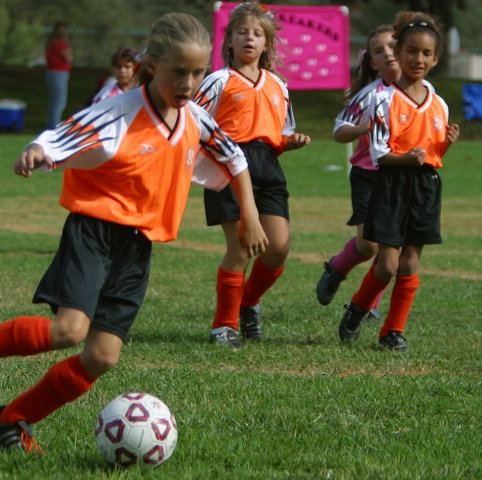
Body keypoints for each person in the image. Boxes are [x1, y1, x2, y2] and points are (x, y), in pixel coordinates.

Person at [0, 13, 267, 453]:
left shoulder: (195, 119)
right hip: (95, 231)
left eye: (197, 72)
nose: (189, 82)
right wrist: (38, 150)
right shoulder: (122, 111)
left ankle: (10, 421)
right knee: (68, 329)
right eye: (179, 71)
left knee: (101, 356)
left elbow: (234, 158)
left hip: (137, 245)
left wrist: (249, 213)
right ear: (152, 65)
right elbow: (67, 132)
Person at [338, 11, 460, 351]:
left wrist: (445, 143)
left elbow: (434, 157)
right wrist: (406, 158)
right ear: (399, 53)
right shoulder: (384, 99)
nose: (417, 59)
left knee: (410, 261)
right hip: (391, 183)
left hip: (425, 187)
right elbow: (379, 155)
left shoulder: (439, 104)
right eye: (410, 51)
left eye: (425, 53)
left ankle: (392, 332)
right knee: (388, 264)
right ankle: (358, 308)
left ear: (435, 59)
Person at [194, 2, 310, 349]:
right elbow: (193, 121)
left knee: (278, 248)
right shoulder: (218, 80)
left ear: (267, 44)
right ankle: (223, 327)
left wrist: (290, 141)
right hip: (229, 165)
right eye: (242, 32)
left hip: (268, 168)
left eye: (257, 33)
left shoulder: (278, 86)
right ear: (228, 40)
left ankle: (248, 302)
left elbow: (279, 133)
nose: (249, 38)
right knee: (241, 248)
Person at [315, 25, 401, 315]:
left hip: (401, 177)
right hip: (368, 175)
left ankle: (369, 304)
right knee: (368, 245)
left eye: (393, 46)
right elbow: (339, 131)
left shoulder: (421, 92)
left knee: (391, 245)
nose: (388, 54)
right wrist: (364, 127)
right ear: (372, 61)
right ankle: (336, 270)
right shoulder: (369, 95)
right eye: (379, 51)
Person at [45, 21, 73, 128]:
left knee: (53, 101)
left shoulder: (51, 42)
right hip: (59, 74)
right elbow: (69, 57)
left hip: (51, 73)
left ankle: (52, 123)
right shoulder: (61, 43)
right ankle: (55, 125)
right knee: (59, 102)